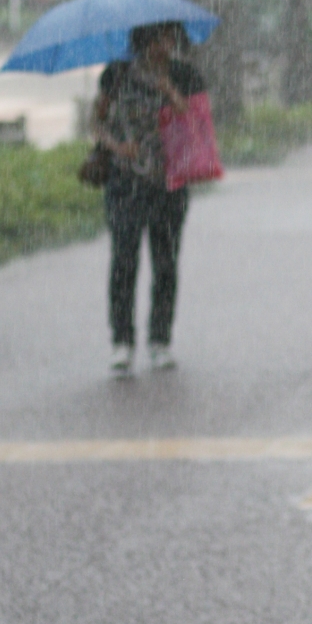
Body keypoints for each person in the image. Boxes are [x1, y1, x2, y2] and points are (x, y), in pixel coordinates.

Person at [90, 21, 203, 374]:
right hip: (125, 183)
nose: (165, 45)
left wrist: (170, 91)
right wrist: (116, 146)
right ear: (144, 39)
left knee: (165, 263)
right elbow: (96, 121)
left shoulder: (185, 75)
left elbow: (198, 126)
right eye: (158, 37)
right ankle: (122, 341)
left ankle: (160, 340)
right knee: (124, 262)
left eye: (170, 37)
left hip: (169, 183)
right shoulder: (117, 73)